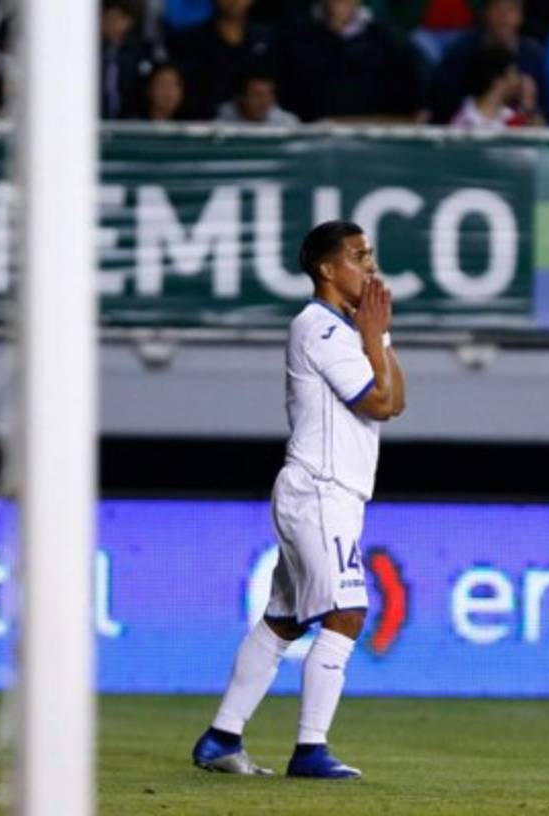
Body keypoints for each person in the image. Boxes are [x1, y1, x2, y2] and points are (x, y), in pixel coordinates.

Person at [191, 220, 406, 779]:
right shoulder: (319, 328)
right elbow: (377, 403)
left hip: (331, 493)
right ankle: (311, 749)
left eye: (370, 255)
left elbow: (397, 400)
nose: (370, 266)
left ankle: (221, 738)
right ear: (327, 270)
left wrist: (379, 336)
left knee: (282, 622)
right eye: (359, 256)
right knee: (349, 611)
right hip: (320, 490)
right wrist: (371, 337)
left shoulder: (351, 329)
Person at [275, 0, 428, 122]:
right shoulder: (293, 38)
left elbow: (415, 113)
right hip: (306, 146)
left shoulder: (390, 40)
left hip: (374, 147)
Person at [429, 0, 545, 124]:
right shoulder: (461, 52)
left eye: (511, 9)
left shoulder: (534, 55)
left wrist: (529, 106)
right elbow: (441, 108)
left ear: (521, 16)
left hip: (518, 135)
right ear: (487, 13)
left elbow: (547, 118)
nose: (504, 16)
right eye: (498, 9)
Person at [170, 0, 274, 118]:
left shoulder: (267, 38)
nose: (234, 1)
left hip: (259, 124)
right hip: (204, 123)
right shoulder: (191, 40)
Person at [450, 44, 542, 127]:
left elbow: (540, 142)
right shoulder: (463, 120)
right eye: (513, 74)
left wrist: (529, 106)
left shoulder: (513, 119)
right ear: (498, 81)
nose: (517, 81)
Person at [216, 71, 301, 124]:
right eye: (257, 95)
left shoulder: (287, 123)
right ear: (240, 98)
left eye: (268, 95)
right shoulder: (222, 123)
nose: (264, 101)